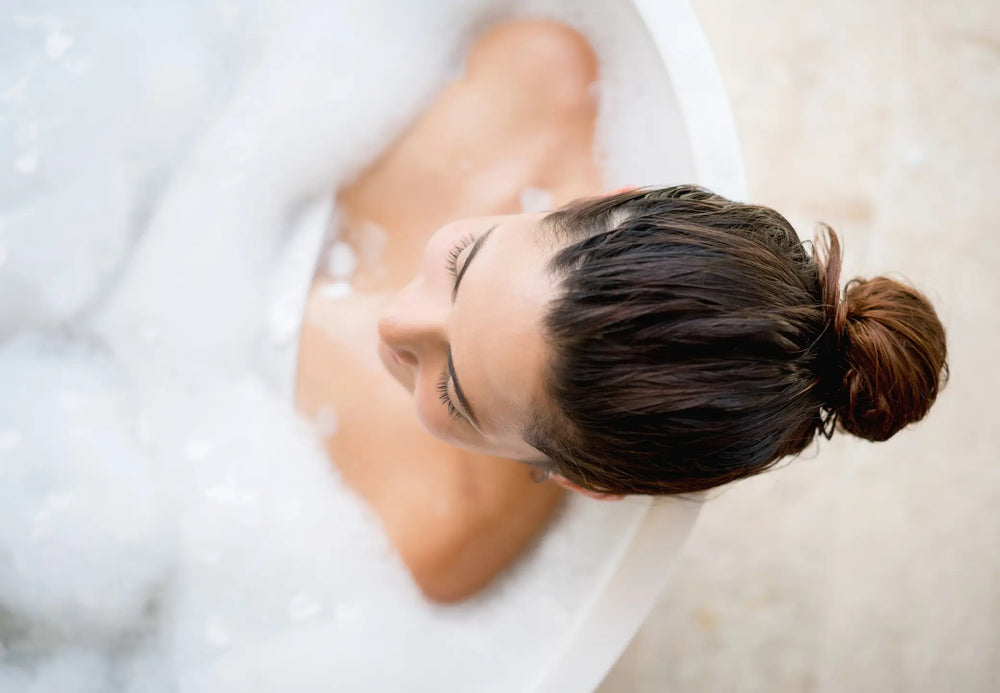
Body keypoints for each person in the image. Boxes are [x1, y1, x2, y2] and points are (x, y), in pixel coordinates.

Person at [295, 20, 947, 602]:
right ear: (604, 198)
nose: (394, 323)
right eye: (463, 262)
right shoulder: (535, 75)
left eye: (452, 391)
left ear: (583, 484)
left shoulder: (432, 532)